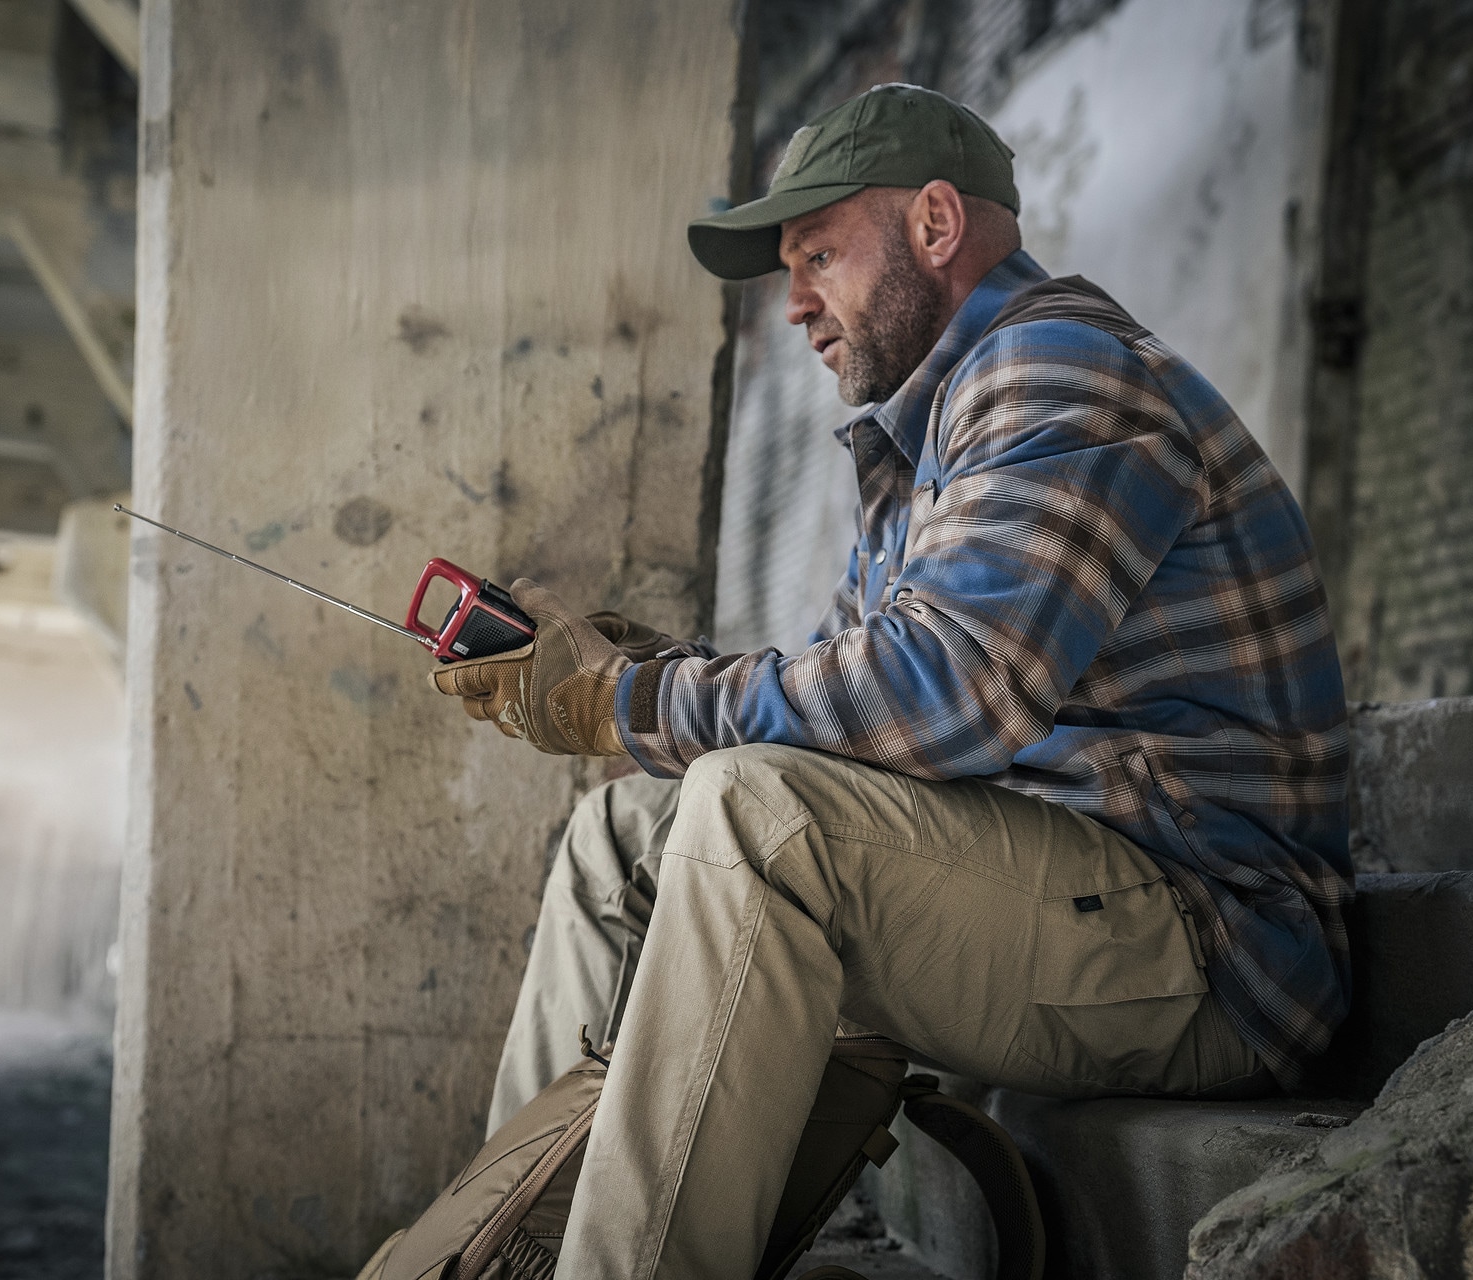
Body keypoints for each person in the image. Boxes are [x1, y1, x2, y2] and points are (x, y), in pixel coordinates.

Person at [429, 83, 1352, 1280]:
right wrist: (639, 669)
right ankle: (492, 1248)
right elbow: (837, 698)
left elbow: (944, 693)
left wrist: (627, 702)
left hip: (1204, 942)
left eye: (818, 255)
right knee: (621, 834)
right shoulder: (932, 430)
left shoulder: (1058, 371)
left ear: (934, 224)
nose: (794, 304)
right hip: (1062, 886)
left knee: (757, 817)